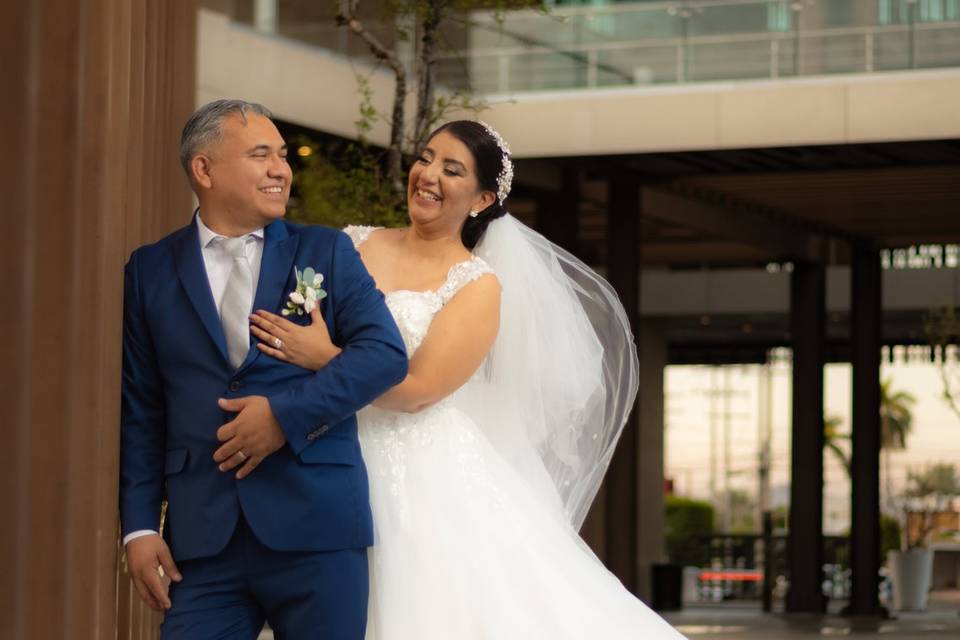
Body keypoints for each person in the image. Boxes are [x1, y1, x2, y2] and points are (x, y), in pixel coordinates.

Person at [250, 120, 688, 638]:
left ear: (481, 199)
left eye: (451, 169)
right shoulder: (352, 243)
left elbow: (418, 391)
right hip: (323, 443)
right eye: (426, 157)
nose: (428, 175)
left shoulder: (476, 286)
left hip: (416, 469)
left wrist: (326, 358)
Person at [119, 99, 408, 639]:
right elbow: (142, 406)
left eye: (281, 155)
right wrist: (137, 527)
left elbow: (385, 357)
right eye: (260, 155)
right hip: (203, 539)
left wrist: (284, 417)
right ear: (203, 170)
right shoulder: (148, 270)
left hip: (317, 526)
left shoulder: (327, 250)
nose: (281, 169)